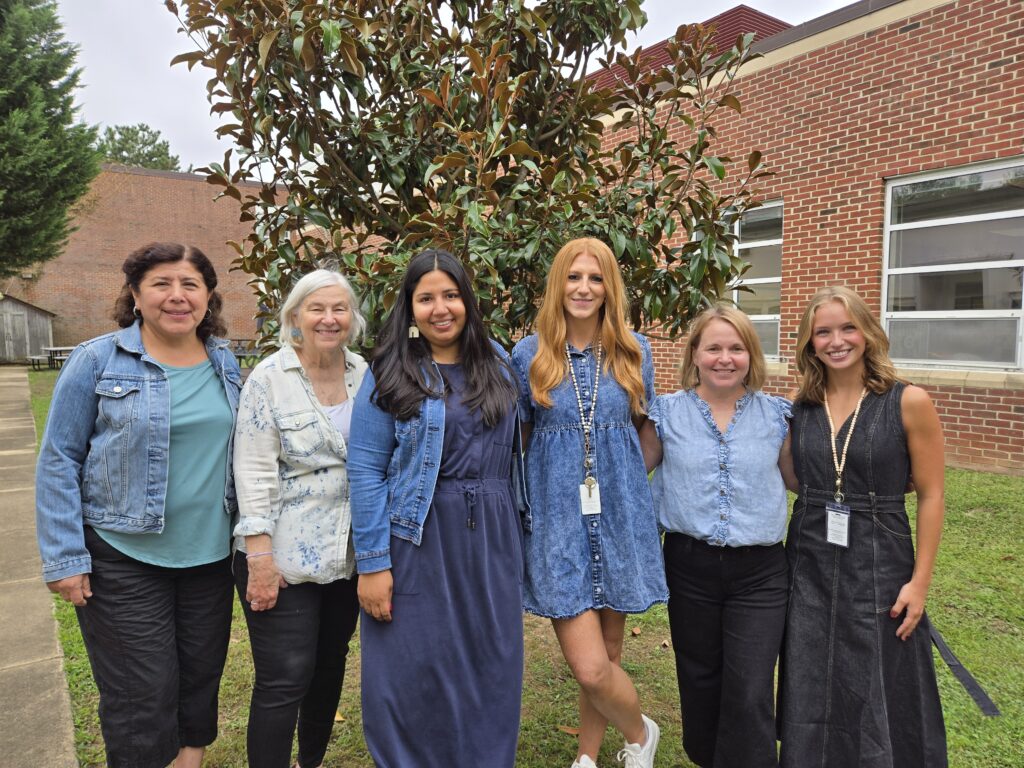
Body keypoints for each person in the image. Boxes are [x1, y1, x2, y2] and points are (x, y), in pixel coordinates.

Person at [35, 243, 241, 768]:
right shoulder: (96, 360)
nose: (177, 297)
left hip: (210, 557)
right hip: (122, 556)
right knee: (139, 695)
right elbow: (59, 459)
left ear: (209, 296)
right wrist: (65, 555)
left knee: (199, 678)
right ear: (135, 293)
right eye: (161, 284)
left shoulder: (224, 361)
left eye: (190, 285)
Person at [347, 248, 529, 767]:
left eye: (450, 294)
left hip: (492, 536)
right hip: (417, 534)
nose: (440, 308)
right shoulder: (390, 372)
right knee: (409, 668)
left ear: (466, 300)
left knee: (490, 663)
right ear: (410, 308)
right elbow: (364, 469)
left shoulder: (498, 362)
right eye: (425, 298)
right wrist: (374, 563)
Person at [510, 237, 666, 768]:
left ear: (609, 288)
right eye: (574, 277)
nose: (584, 288)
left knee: (612, 651)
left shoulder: (634, 350)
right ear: (558, 285)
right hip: (557, 520)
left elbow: (645, 431)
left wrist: (624, 484)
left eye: (595, 278)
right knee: (590, 666)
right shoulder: (529, 355)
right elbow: (521, 443)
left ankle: (587, 757)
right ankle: (641, 731)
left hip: (619, 517)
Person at [778, 285, 947, 767]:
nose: (837, 341)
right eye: (823, 331)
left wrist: (920, 582)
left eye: (848, 328)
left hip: (881, 555)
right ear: (810, 343)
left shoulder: (908, 401)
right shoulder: (802, 407)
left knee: (876, 675)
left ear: (868, 333)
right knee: (811, 675)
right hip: (807, 555)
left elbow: (932, 495)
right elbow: (793, 477)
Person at [639, 305, 795, 768]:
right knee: (700, 678)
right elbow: (630, 474)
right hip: (689, 567)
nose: (724, 358)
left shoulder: (778, 417)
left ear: (751, 354)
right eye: (713, 348)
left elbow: (802, 481)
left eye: (736, 348)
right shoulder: (666, 413)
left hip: (761, 573)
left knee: (749, 687)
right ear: (695, 354)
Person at [232, 269, 369, 768]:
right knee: (284, 677)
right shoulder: (269, 378)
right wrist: (260, 561)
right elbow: (252, 473)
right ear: (294, 317)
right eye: (317, 309)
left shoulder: (364, 373)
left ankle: (310, 761)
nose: (329, 319)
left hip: (347, 554)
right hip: (283, 556)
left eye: (340, 309)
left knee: (329, 668)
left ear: (353, 318)